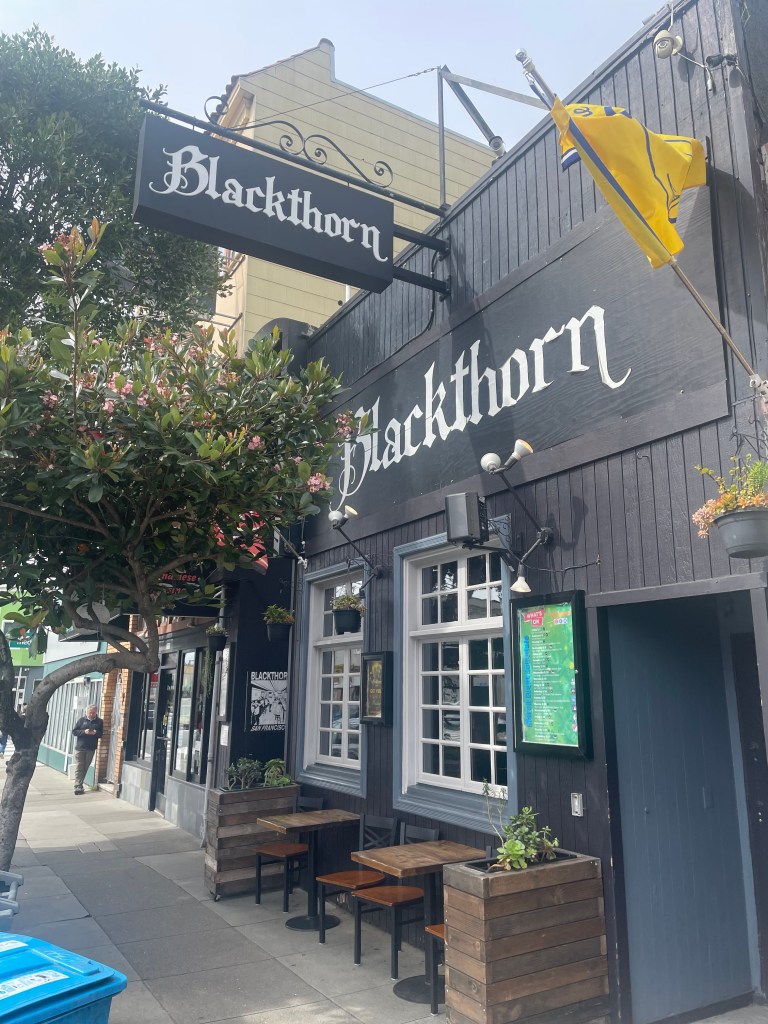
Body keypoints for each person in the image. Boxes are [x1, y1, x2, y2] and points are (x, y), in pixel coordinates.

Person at [72, 704, 103, 795]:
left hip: (91, 748)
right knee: (79, 766)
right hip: (80, 747)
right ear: (86, 712)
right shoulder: (81, 720)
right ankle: (77, 785)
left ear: (96, 712)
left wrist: (95, 733)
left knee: (85, 766)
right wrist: (83, 732)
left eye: (93, 713)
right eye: (90, 713)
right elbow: (74, 731)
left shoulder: (99, 722)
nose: (91, 714)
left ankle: (80, 784)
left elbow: (101, 734)